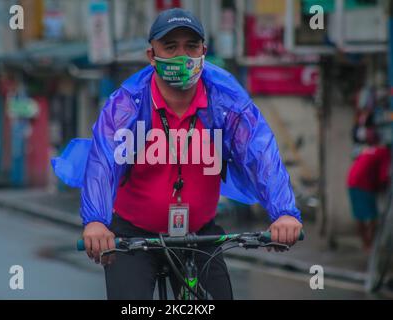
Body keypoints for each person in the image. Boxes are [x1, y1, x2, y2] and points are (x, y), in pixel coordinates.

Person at [53, 8, 302, 299]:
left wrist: (284, 213)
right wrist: (96, 222)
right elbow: (104, 162)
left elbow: (261, 154)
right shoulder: (128, 103)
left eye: (191, 46)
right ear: (151, 55)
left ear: (203, 51)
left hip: (200, 233)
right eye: (170, 47)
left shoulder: (226, 102)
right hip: (133, 236)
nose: (182, 56)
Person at [347, 128, 390, 252]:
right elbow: (383, 176)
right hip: (363, 184)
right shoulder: (383, 152)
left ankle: (367, 243)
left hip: (352, 181)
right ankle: (369, 244)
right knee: (372, 216)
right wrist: (383, 190)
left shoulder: (367, 150)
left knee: (361, 216)